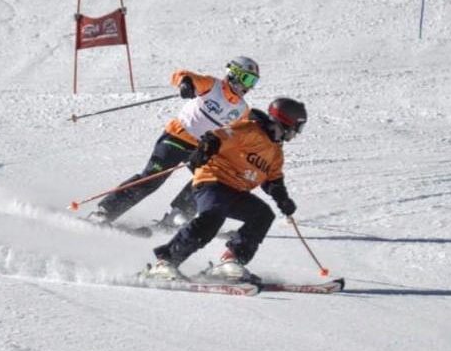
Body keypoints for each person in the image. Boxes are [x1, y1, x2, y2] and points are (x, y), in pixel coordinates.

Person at [145, 97, 308, 282]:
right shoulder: (250, 129)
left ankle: (231, 261)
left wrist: (282, 198)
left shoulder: (276, 152)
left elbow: (273, 179)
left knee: (262, 215)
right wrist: (206, 147)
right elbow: (218, 136)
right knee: (213, 216)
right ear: (286, 122)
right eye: (298, 127)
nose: (298, 133)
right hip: (213, 181)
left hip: (236, 191)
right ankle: (165, 262)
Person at [88, 56, 261, 227]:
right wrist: (186, 83)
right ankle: (104, 212)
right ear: (233, 74)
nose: (248, 86)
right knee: (152, 178)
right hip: (177, 137)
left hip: (200, 148)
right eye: (247, 79)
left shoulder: (242, 109)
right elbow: (182, 75)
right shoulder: (212, 85)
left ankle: (178, 216)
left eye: (253, 82)